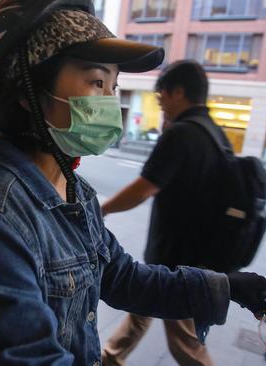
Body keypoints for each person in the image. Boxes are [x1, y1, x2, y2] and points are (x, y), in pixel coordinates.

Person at [0, 1, 266, 365]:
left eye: (113, 86)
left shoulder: (75, 192)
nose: (110, 103)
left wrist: (226, 287)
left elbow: (122, 277)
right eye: (97, 81)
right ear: (26, 92)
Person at [99, 60, 234, 366]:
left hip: (177, 262)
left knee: (185, 343)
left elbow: (143, 188)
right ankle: (110, 357)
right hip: (195, 254)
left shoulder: (182, 134)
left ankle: (110, 357)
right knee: (140, 312)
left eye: (161, 98)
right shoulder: (216, 135)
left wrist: (102, 208)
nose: (160, 104)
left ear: (178, 92)